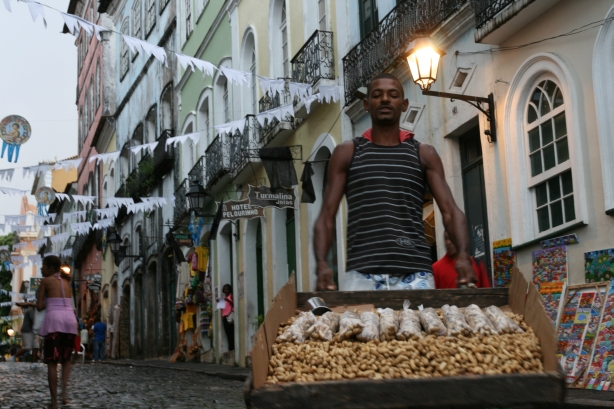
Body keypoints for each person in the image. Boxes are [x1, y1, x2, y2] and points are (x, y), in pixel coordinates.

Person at [314, 73, 475, 291]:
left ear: (404, 104)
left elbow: (450, 211)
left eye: (393, 95)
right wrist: (322, 265)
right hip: (362, 274)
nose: (385, 100)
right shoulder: (347, 153)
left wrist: (463, 256)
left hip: (415, 273)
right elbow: (326, 216)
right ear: (366, 104)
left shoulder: (423, 154)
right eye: (377, 95)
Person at [36, 256, 78, 409]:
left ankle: (54, 402)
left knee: (52, 362)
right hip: (70, 321)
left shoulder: (45, 281)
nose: (41, 269)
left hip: (54, 321)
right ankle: (64, 394)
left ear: (51, 268)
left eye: (43, 266)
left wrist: (33, 303)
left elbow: (40, 306)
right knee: (66, 360)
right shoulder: (66, 281)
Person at [13, 301, 40, 365]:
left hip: (32, 331)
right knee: (28, 347)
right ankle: (13, 357)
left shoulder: (35, 310)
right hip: (27, 330)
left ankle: (34, 363)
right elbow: (33, 321)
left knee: (36, 346)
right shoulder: (31, 310)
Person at [219, 284, 234, 351]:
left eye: (227, 289)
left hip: (230, 315)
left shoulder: (231, 296)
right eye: (225, 289)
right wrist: (219, 303)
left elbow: (233, 304)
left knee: (231, 332)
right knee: (227, 332)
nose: (226, 290)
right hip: (224, 316)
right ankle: (229, 347)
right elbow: (221, 308)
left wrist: (228, 300)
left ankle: (232, 347)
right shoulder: (223, 297)